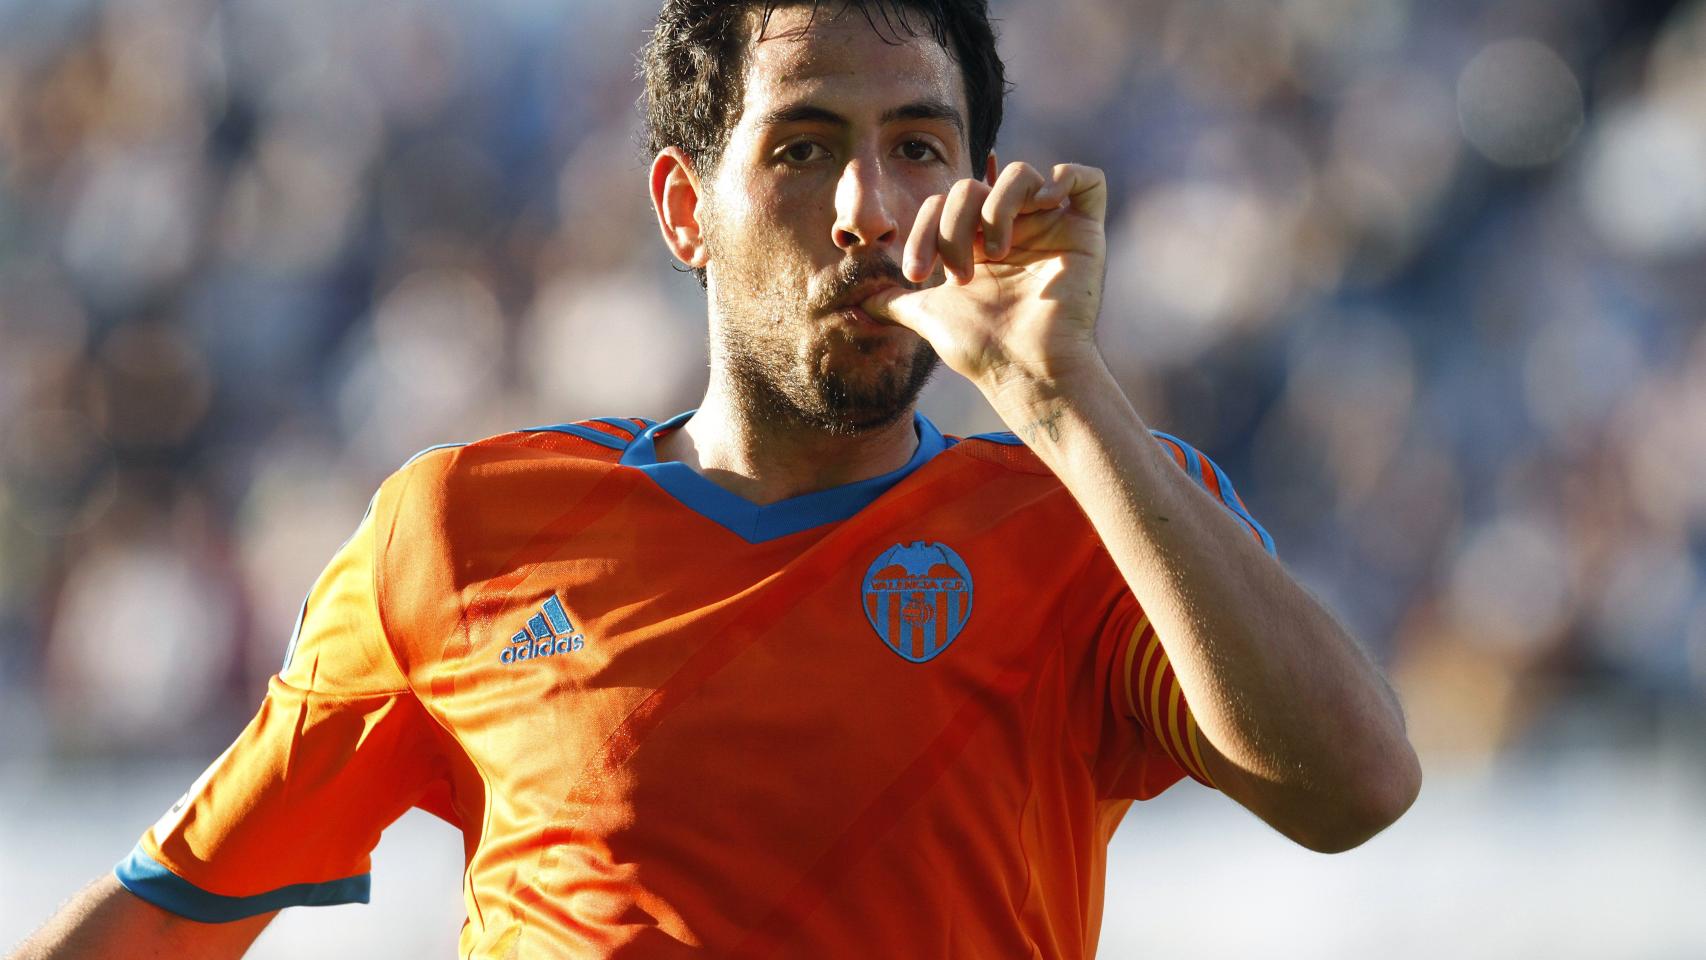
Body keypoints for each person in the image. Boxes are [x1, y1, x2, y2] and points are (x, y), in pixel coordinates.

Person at [9, 1, 1421, 957]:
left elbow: (1355, 790)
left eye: (916, 147)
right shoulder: (464, 531)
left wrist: (1062, 395)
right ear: (688, 209)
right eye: (803, 148)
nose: (870, 209)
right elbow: (174, 911)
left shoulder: (1089, 509)